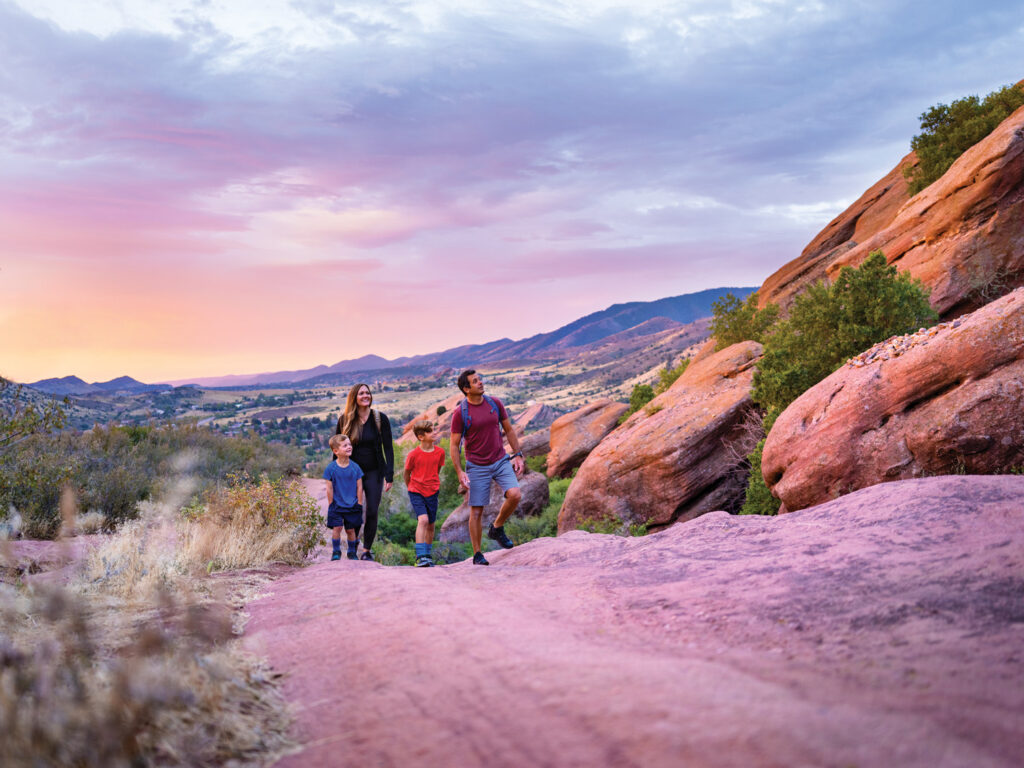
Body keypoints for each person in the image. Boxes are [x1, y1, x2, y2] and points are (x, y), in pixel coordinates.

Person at [449, 369, 525, 566]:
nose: (481, 383)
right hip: (477, 466)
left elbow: (508, 429)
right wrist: (459, 471)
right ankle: (477, 554)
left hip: (500, 460)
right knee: (476, 511)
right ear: (466, 389)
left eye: (480, 379)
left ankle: (497, 527)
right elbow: (454, 445)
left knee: (515, 494)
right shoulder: (461, 413)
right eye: (475, 381)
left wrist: (517, 454)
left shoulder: (495, 403)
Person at [336, 383, 394, 561]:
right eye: (361, 393)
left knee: (372, 512)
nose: (365, 396)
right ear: (354, 397)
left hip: (375, 472)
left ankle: (367, 550)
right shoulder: (345, 420)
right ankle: (353, 546)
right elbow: (336, 448)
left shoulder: (379, 418)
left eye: (367, 393)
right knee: (352, 511)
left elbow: (388, 448)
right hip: (351, 473)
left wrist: (389, 474)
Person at [403, 419, 447, 567]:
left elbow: (437, 470)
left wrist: (432, 483)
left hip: (432, 491)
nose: (435, 432)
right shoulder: (413, 454)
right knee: (423, 520)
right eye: (431, 431)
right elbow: (406, 473)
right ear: (421, 436)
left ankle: (427, 555)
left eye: (434, 429)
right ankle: (420, 556)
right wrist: (411, 487)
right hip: (416, 491)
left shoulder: (440, 452)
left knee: (431, 524)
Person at [323, 434, 364, 561]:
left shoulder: (355, 467)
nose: (349, 447)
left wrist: (360, 504)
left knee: (350, 530)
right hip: (336, 505)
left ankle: (351, 552)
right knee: (337, 528)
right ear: (336, 451)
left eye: (349, 445)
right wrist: (331, 504)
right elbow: (329, 488)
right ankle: (336, 552)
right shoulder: (331, 468)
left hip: (352, 505)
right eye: (345, 445)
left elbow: (359, 487)